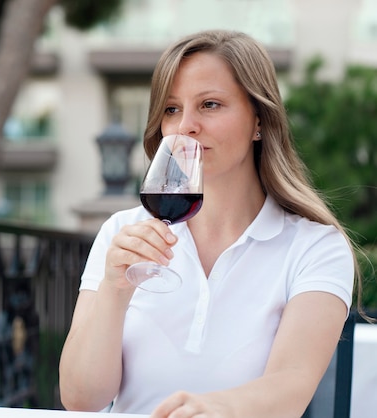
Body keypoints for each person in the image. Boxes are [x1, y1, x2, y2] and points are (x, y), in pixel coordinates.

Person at [58, 29, 361, 417]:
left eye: (210, 104)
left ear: (260, 121)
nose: (186, 126)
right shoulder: (122, 233)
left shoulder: (314, 246)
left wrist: (212, 409)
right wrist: (115, 291)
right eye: (171, 109)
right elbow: (81, 399)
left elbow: (291, 387)